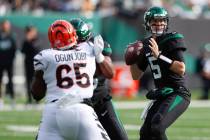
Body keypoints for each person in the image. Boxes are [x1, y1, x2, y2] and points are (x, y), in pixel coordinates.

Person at [31, 19, 110, 140]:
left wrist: (40, 74)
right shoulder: (89, 48)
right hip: (82, 109)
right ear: (73, 35)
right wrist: (99, 56)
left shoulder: (45, 56)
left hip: (54, 111)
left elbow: (37, 95)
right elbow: (108, 72)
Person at [124, 6, 191, 140]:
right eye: (155, 21)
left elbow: (181, 68)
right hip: (161, 94)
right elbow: (135, 76)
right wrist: (131, 60)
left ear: (166, 22)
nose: (159, 24)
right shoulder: (145, 44)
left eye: (161, 21)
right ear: (148, 23)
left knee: (157, 126)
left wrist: (159, 55)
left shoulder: (172, 38)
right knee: (145, 133)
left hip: (178, 92)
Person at [70, 18, 128, 140]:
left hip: (100, 100)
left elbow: (110, 73)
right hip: (77, 104)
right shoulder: (62, 52)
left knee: (120, 137)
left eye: (80, 40)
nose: (77, 45)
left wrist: (99, 56)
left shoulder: (94, 47)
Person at [21, 25, 40, 104]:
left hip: (36, 65)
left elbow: (36, 48)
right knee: (28, 82)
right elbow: (22, 51)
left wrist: (29, 40)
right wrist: (27, 40)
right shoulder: (26, 41)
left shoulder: (37, 40)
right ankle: (29, 99)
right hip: (28, 64)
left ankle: (36, 99)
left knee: (36, 82)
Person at [0, 19, 16, 109]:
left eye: (7, 25)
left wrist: (11, 60)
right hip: (0, 63)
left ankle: (12, 98)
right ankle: (1, 100)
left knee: (10, 81)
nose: (6, 27)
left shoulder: (11, 36)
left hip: (9, 63)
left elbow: (14, 49)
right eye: (5, 25)